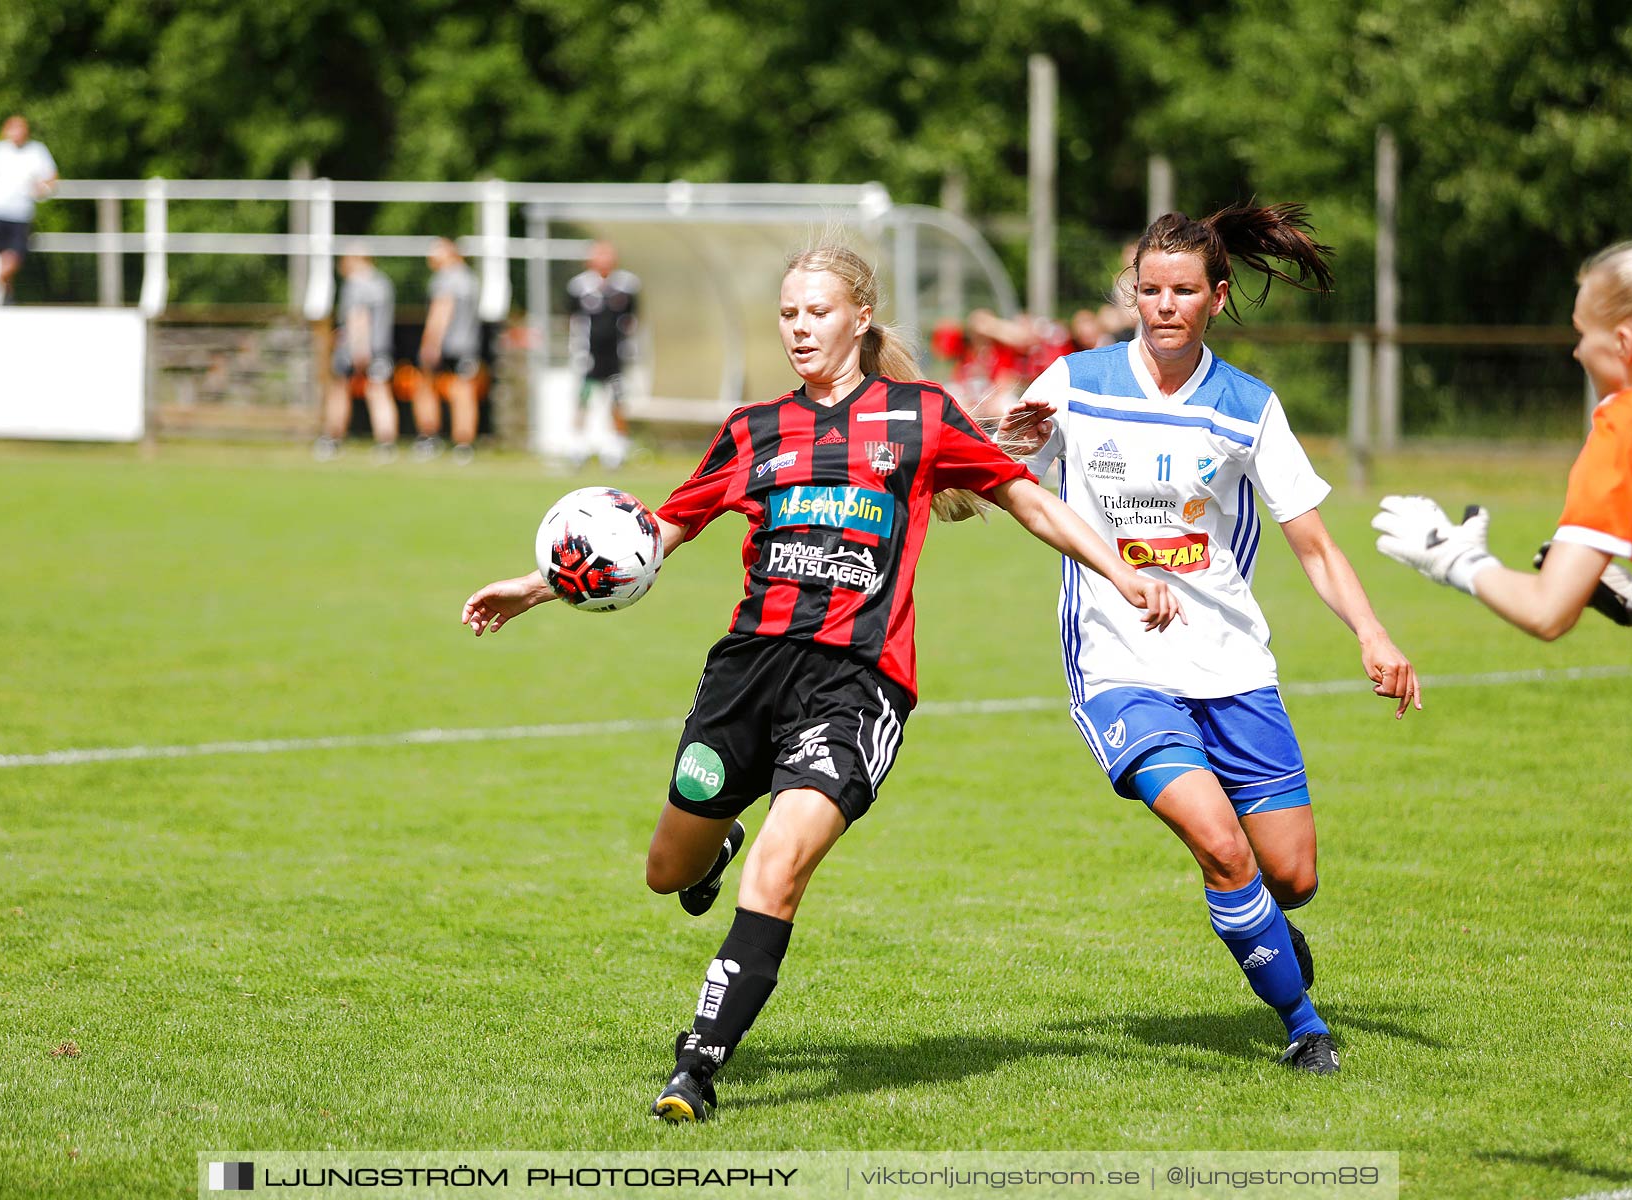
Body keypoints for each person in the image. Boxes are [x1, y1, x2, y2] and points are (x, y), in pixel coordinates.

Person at [462, 243, 1184, 1121]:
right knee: (666, 872)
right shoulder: (753, 428)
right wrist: (538, 586)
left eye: (817, 312)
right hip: (745, 675)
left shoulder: (920, 417)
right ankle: (712, 850)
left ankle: (695, 1067)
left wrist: (1118, 570)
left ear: (860, 319)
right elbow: (659, 531)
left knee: (780, 869)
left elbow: (1026, 498)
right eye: (788, 314)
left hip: (856, 682)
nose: (800, 328)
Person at [998, 203, 1422, 1075]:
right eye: (1148, 289)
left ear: (1217, 298)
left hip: (1230, 662)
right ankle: (1305, 1029)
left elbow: (1313, 541)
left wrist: (1373, 634)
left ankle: (1267, 926)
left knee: (1291, 875)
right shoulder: (1072, 383)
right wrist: (1002, 442)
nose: (1162, 306)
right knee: (1220, 846)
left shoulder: (1247, 407)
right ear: (1132, 294)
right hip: (1119, 664)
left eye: (1182, 291)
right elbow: (1001, 491)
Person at [1372, 236, 1632, 1024]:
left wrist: (1456, 561)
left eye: (1580, 333)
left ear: (1623, 343)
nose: (1575, 349)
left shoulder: (1630, 426)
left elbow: (1550, 610)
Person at [316, 250, 398, 463]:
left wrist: (359, 350)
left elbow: (358, 317)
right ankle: (386, 443)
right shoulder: (383, 283)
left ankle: (332, 440)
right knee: (380, 394)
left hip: (355, 350)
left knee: (339, 392)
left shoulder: (355, 284)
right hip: (381, 347)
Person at [566, 240, 641, 468]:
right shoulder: (579, 286)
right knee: (583, 398)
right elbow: (571, 319)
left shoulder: (627, 285)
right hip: (588, 354)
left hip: (617, 354)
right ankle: (577, 446)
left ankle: (616, 448)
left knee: (617, 400)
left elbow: (632, 319)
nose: (604, 260)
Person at [0, 115, 57, 306]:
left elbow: (52, 176)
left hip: (21, 212)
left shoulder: (37, 151)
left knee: (15, 256)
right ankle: (7, 299)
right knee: (2, 256)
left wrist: (43, 189)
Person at [415, 237, 482, 465]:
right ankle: (464, 444)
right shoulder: (470, 279)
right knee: (464, 393)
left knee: (426, 388)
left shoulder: (445, 279)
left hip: (446, 344)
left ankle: (429, 437)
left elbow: (441, 312)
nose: (430, 257)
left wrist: (430, 344)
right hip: (468, 344)